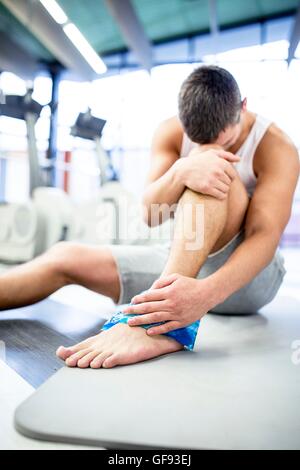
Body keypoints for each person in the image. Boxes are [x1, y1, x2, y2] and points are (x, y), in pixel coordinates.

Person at [0, 66, 298, 369]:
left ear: (243, 107)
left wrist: (205, 295)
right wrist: (182, 170)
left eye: (224, 141)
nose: (210, 146)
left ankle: (162, 326)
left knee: (211, 167)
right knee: (65, 256)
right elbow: (151, 214)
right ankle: (167, 307)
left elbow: (265, 236)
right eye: (196, 140)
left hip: (249, 280)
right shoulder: (170, 131)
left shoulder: (276, 147)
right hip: (184, 264)